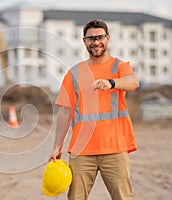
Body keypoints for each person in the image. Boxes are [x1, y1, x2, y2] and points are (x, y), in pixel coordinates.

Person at [50, 19, 139, 200]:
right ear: (84, 41)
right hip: (82, 151)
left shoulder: (119, 66)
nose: (96, 42)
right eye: (91, 38)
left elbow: (133, 82)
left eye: (100, 37)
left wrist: (111, 83)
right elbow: (65, 112)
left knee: (123, 197)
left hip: (115, 148)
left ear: (108, 38)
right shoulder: (74, 73)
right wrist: (57, 147)